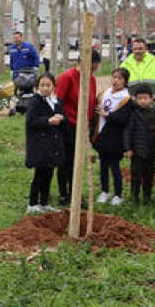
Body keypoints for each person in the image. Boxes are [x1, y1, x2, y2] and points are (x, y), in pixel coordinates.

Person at [55, 48, 100, 205]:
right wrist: (65, 122)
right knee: (66, 161)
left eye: (95, 68)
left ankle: (76, 192)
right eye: (92, 67)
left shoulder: (92, 80)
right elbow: (58, 102)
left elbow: (92, 101)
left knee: (78, 161)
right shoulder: (67, 77)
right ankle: (64, 194)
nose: (93, 70)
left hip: (83, 127)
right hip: (69, 126)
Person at [24, 72, 65, 214]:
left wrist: (61, 118)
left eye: (48, 85)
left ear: (54, 87)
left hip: (52, 146)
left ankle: (45, 202)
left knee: (49, 174)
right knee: (39, 175)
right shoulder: (35, 101)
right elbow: (31, 121)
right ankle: (32, 203)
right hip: (39, 145)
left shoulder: (55, 101)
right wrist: (48, 121)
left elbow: (61, 116)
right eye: (42, 85)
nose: (45, 88)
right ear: (38, 86)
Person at [91, 68, 133, 206]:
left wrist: (108, 115)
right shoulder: (104, 93)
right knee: (103, 165)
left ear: (125, 81)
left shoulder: (126, 99)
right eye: (114, 77)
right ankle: (104, 190)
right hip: (101, 135)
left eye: (119, 78)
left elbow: (123, 119)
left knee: (114, 166)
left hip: (115, 138)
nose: (115, 80)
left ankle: (118, 194)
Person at [123, 83, 155, 205]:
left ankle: (147, 196)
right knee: (136, 175)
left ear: (151, 98)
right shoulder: (134, 114)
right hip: (137, 151)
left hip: (152, 151)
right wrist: (128, 148)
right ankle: (134, 196)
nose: (142, 101)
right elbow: (128, 132)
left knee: (149, 175)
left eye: (145, 98)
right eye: (139, 98)